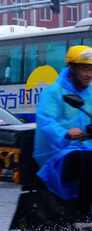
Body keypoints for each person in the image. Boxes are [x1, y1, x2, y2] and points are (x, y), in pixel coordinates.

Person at [34, 45, 92, 213]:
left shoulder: (91, 91)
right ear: (72, 68)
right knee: (87, 159)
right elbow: (45, 121)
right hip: (59, 151)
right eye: (84, 69)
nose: (89, 74)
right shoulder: (54, 92)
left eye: (91, 69)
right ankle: (84, 210)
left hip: (86, 146)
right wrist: (65, 133)